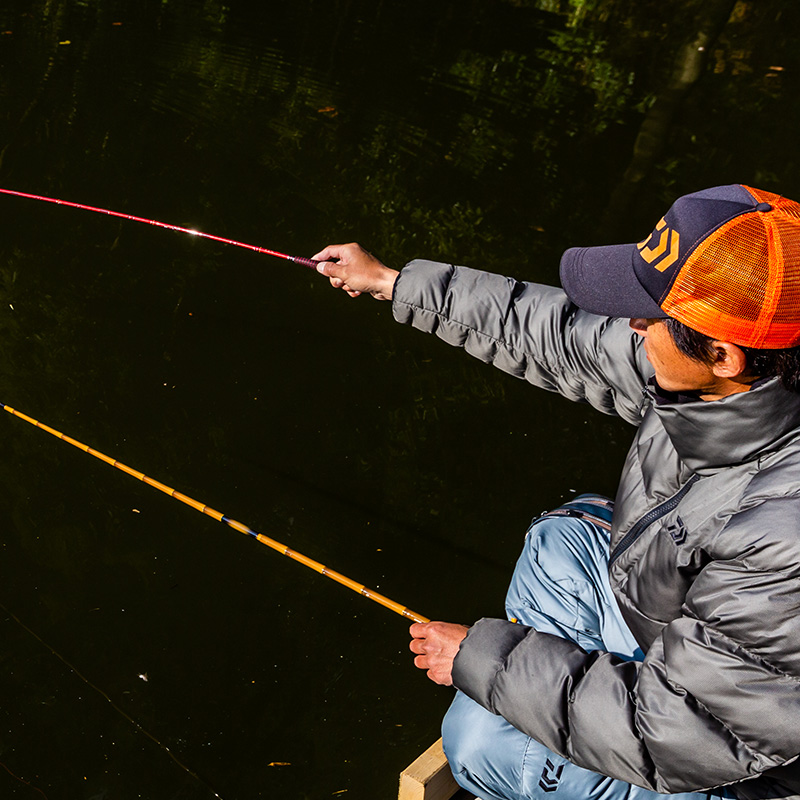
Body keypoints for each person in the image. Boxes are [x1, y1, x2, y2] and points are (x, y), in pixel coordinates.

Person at [312, 184, 800, 800]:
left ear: (724, 356)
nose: (631, 324)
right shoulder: (743, 372)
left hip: (748, 765)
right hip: (710, 644)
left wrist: (487, 658)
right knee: (561, 540)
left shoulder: (787, 538)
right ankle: (578, 701)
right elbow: (566, 335)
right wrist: (391, 281)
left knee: (478, 744)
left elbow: (683, 733)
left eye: (647, 315)